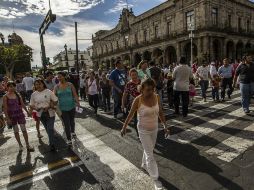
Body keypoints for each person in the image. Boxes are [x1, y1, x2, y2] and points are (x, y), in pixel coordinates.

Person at [121, 78, 167, 190]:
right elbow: (130, 115)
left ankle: (144, 164)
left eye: (152, 89)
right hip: (143, 130)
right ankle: (155, 179)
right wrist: (124, 127)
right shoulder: (138, 100)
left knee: (149, 150)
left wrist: (165, 126)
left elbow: (160, 112)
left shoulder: (156, 97)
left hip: (154, 129)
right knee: (150, 154)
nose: (150, 92)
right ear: (142, 89)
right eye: (147, 89)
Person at [3, 81, 34, 152]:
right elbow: (5, 108)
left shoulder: (18, 94)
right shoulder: (5, 96)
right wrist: (7, 119)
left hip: (20, 114)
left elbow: (22, 104)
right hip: (12, 116)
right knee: (16, 131)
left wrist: (27, 112)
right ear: (7, 87)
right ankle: (20, 145)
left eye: (13, 86)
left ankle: (27, 145)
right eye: (10, 86)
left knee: (24, 130)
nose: (12, 88)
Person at [30, 79, 58, 151]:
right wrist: (36, 108)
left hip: (50, 113)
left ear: (43, 84)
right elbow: (31, 105)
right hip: (40, 114)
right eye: (36, 84)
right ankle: (52, 140)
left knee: (50, 128)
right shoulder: (34, 94)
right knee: (47, 129)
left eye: (39, 84)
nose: (38, 86)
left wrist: (49, 106)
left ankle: (52, 144)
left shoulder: (48, 91)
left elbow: (55, 100)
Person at [54, 72, 80, 146]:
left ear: (64, 77)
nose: (59, 78)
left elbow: (75, 94)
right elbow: (54, 97)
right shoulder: (56, 87)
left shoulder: (70, 84)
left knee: (72, 121)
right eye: (58, 77)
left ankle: (73, 131)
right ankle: (69, 139)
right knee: (66, 123)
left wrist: (78, 103)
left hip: (72, 106)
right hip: (62, 108)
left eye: (60, 76)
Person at [121, 69, 141, 136]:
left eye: (135, 74)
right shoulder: (129, 84)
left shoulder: (141, 81)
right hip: (134, 104)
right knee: (136, 119)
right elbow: (125, 94)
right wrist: (123, 104)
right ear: (130, 76)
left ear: (137, 74)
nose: (134, 76)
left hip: (143, 103)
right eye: (132, 75)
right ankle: (139, 134)